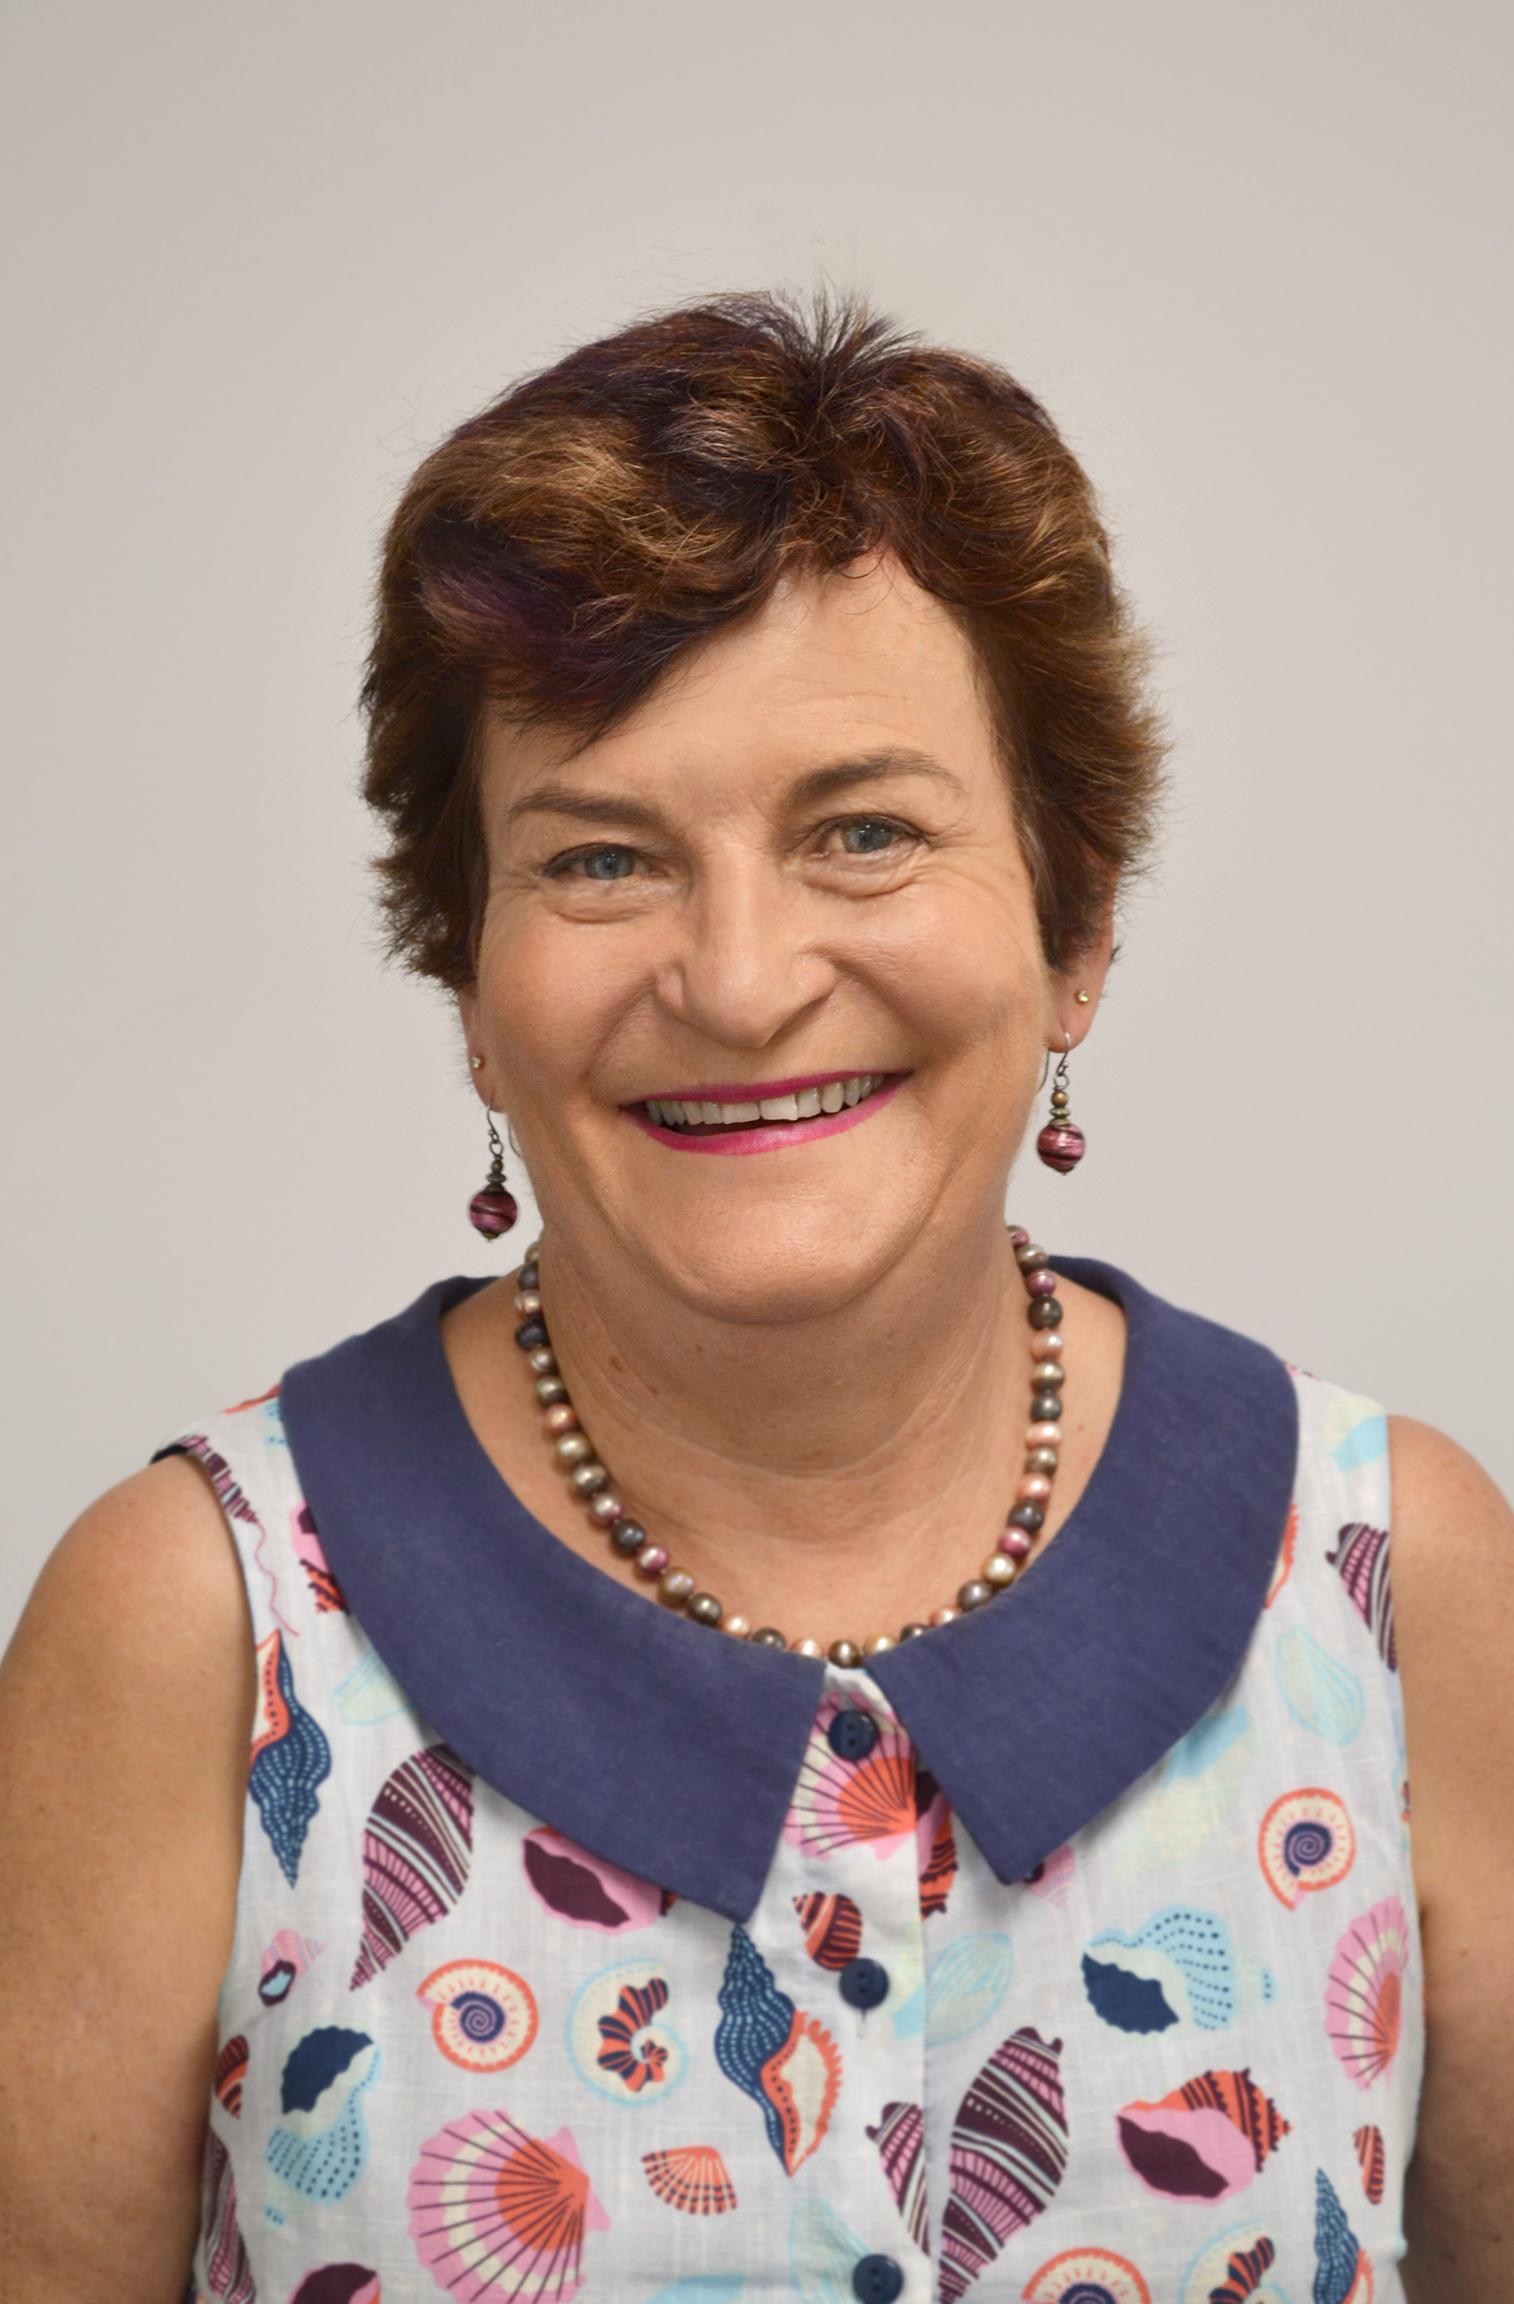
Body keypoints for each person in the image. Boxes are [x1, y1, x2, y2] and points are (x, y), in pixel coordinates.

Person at [1, 294, 1509, 2304]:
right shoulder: (193, 1625)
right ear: (470, 977)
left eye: (863, 833)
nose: (736, 980)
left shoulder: (1398, 1586)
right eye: (601, 861)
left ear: (1074, 926)